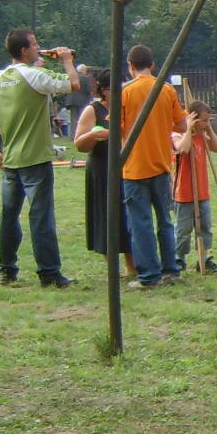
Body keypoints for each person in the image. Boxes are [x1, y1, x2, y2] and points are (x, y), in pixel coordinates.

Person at [0, 29, 81, 287]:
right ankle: (49, 273)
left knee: (9, 216)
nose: (39, 47)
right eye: (34, 44)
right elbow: (73, 84)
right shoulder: (35, 76)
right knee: (41, 217)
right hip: (35, 158)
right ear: (24, 50)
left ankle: (7, 270)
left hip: (11, 159)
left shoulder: (1, 79)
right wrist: (67, 60)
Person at [120, 44, 188, 289]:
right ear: (152, 65)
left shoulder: (125, 91)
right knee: (165, 220)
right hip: (161, 164)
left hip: (134, 166)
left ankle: (149, 275)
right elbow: (182, 125)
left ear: (130, 66)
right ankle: (171, 270)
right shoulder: (166, 89)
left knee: (141, 223)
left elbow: (116, 127)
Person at [74, 67, 134, 280]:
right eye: (115, 89)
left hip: (127, 167)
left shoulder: (128, 107)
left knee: (128, 216)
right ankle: (113, 268)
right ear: (104, 90)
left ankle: (133, 266)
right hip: (102, 169)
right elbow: (79, 143)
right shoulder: (93, 110)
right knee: (106, 215)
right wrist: (96, 134)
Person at [172, 98, 217, 273]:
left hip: (202, 191)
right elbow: (183, 149)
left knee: (205, 226)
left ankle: (203, 257)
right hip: (184, 192)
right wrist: (189, 129)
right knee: (183, 228)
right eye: (204, 120)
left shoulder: (202, 136)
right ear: (193, 118)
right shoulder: (178, 135)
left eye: (208, 120)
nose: (206, 123)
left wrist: (208, 128)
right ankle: (179, 258)